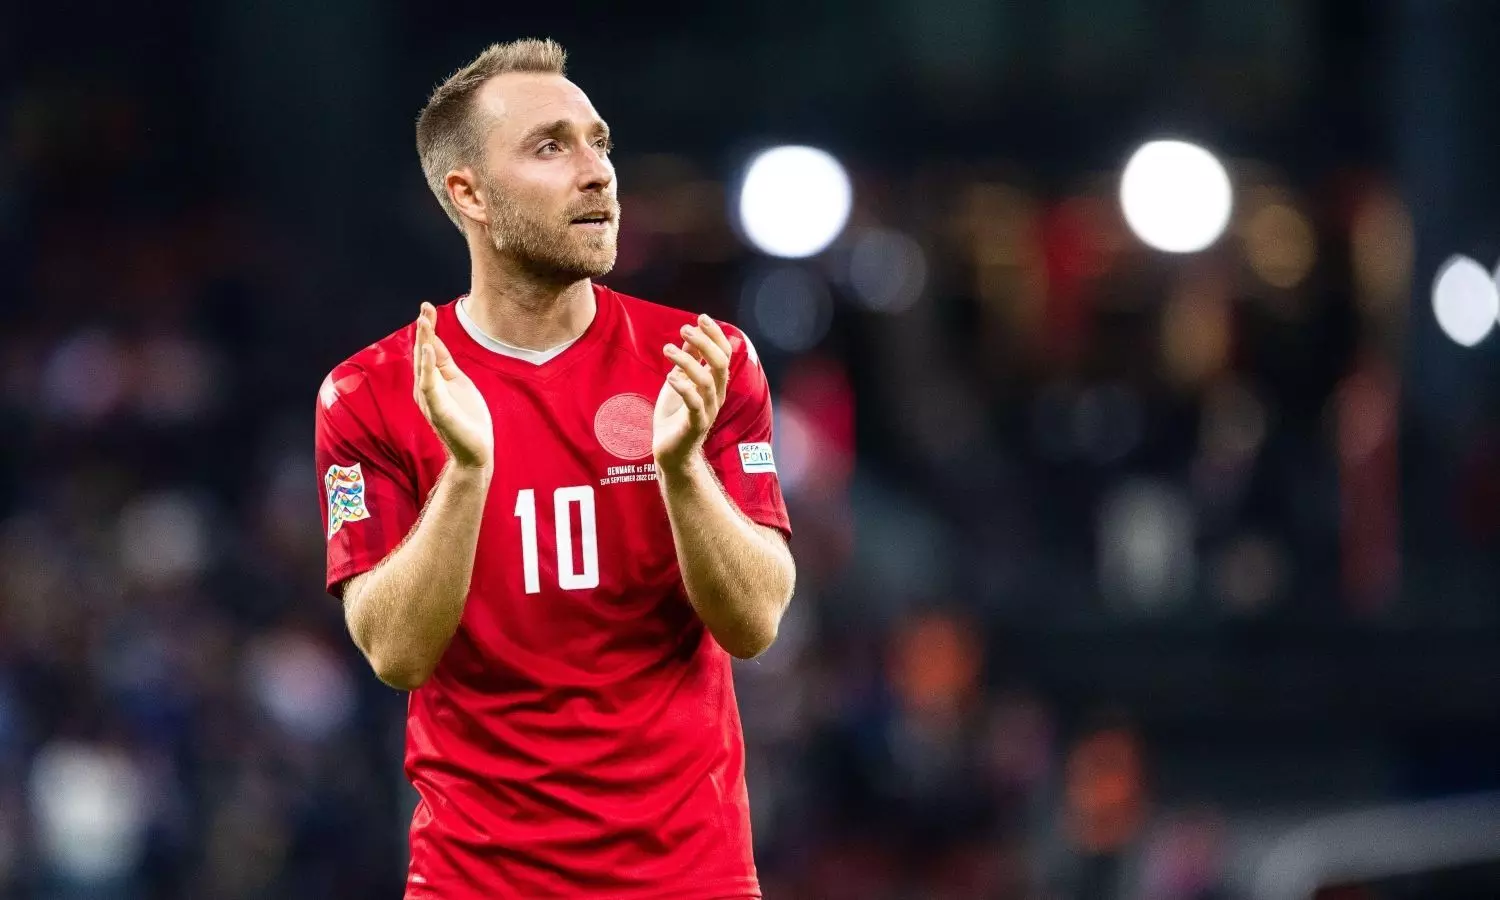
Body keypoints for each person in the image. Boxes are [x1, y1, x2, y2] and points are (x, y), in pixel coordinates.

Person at [313, 38, 796, 899]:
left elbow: (755, 622)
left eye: (599, 143)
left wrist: (682, 470)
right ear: (470, 193)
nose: (597, 172)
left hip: (689, 878)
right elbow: (395, 653)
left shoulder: (702, 359)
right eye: (550, 147)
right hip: (476, 881)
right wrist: (466, 473)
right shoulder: (374, 393)